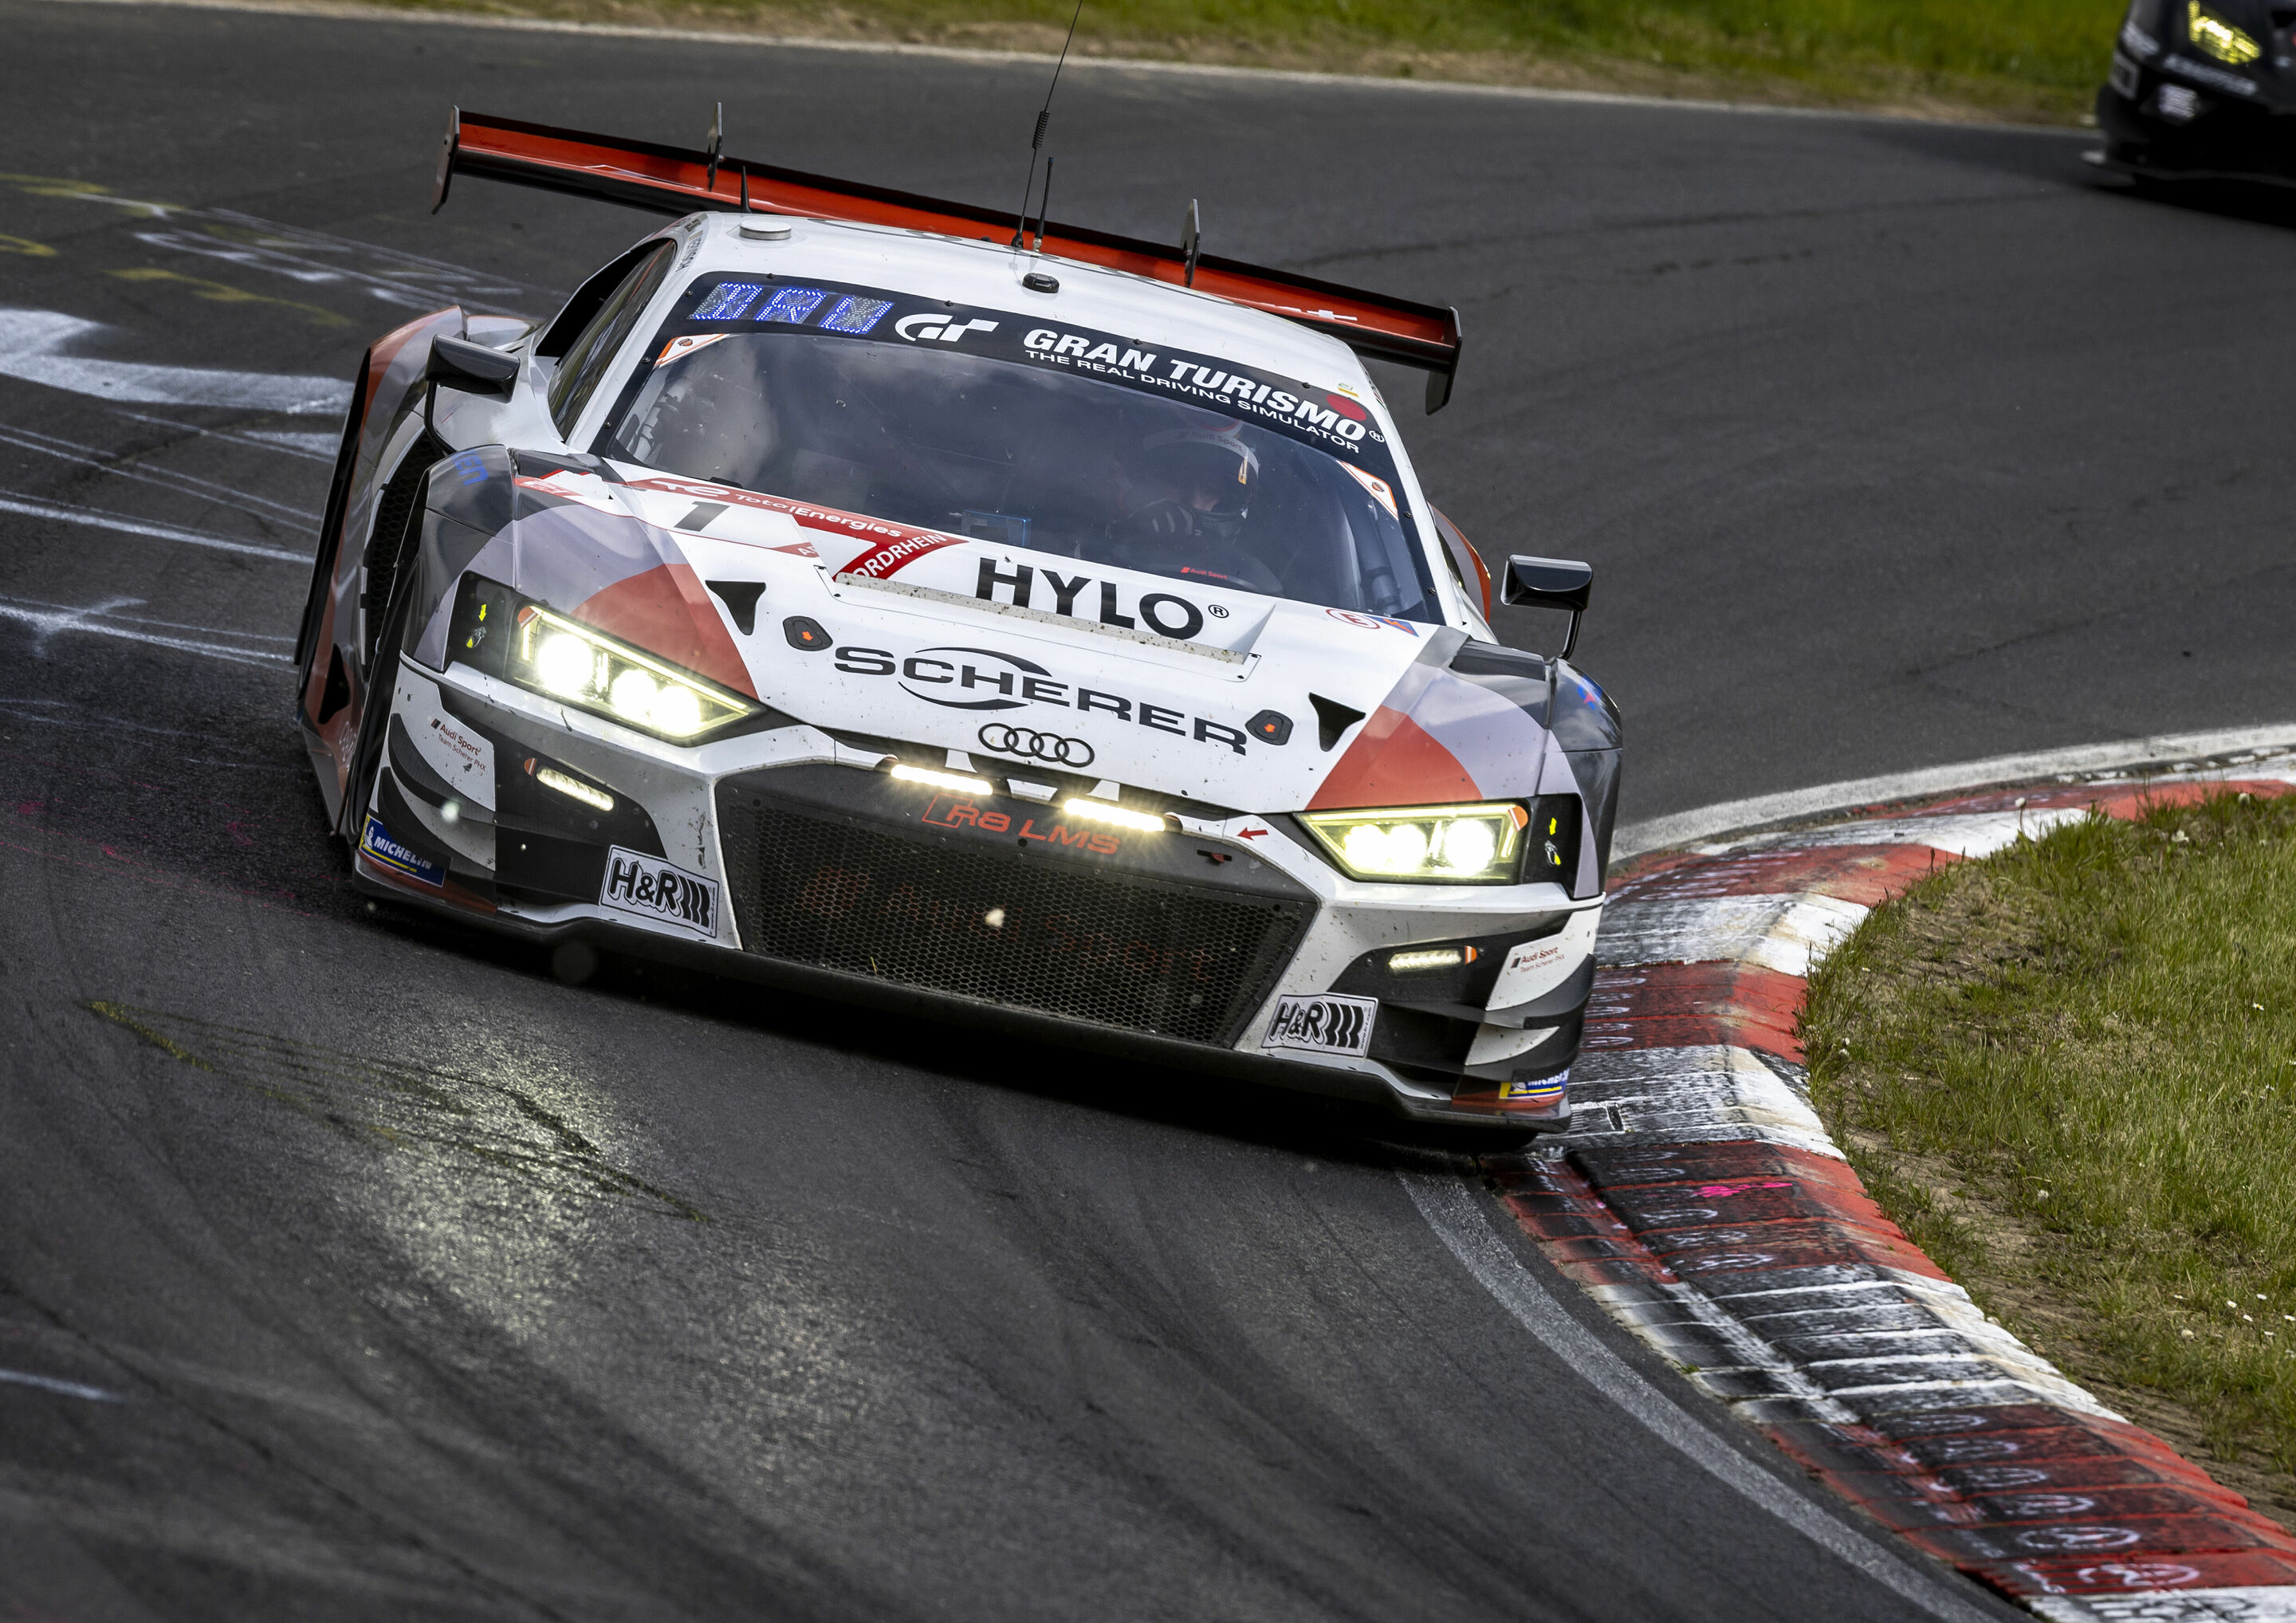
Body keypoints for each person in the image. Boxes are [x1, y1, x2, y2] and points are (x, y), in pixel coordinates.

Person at [1104, 419, 1283, 592]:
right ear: (1144, 482)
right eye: (1176, 484)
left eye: (1211, 491)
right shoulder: (1093, 543)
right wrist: (1126, 538)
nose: (1194, 503)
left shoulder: (1263, 585)